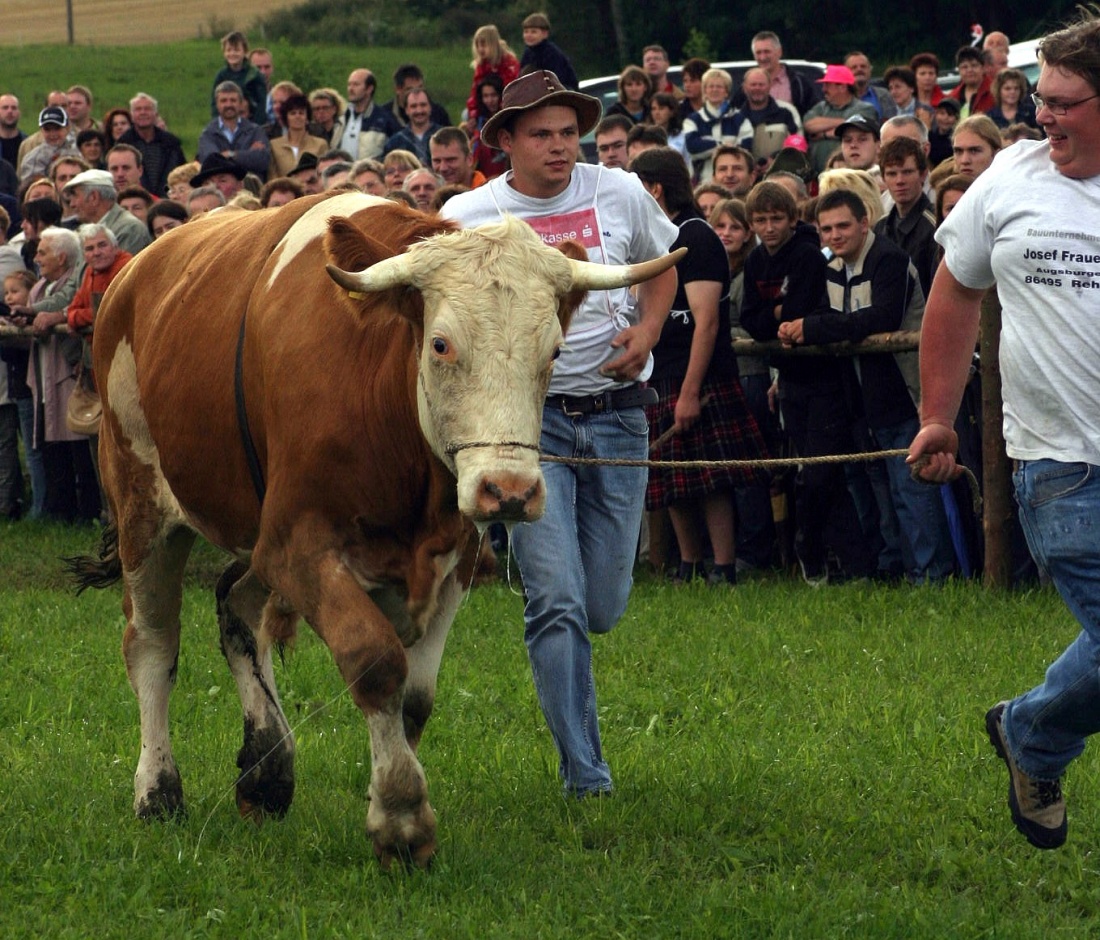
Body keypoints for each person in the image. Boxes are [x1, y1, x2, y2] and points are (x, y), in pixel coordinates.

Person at [440, 70, 678, 798]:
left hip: (617, 415)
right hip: (529, 426)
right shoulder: (469, 212)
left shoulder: (619, 190)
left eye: (569, 132)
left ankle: (552, 587)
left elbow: (665, 263)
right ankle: (587, 774)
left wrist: (647, 328)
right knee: (559, 602)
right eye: (541, 134)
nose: (560, 147)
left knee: (602, 605)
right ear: (504, 141)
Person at [909, 11, 1100, 851]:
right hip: (1060, 465)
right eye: (1043, 100)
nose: (1044, 116)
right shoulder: (1011, 180)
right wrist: (938, 417)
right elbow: (954, 293)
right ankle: (1035, 735)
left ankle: (1031, 731)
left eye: (1065, 102)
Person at [782, 188, 954, 583]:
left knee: (911, 492)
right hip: (861, 400)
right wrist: (809, 325)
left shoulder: (889, 259)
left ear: (865, 223)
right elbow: (829, 316)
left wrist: (812, 328)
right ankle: (892, 568)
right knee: (880, 493)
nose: (835, 235)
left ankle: (931, 576)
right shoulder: (831, 267)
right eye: (826, 229)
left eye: (843, 225)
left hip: (904, 393)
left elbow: (880, 318)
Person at [632, 148, 767, 585]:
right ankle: (688, 564)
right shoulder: (651, 238)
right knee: (673, 479)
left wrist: (691, 391)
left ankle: (723, 567)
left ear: (655, 188)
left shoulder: (696, 236)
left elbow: (706, 323)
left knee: (711, 480)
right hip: (660, 372)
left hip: (700, 374)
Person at [741, 181, 877, 584]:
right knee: (814, 474)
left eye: (776, 219)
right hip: (788, 379)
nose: (769, 228)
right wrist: (777, 314)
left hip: (823, 378)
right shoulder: (754, 261)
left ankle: (819, 550)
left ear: (793, 219)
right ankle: (843, 564)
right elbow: (752, 318)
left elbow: (801, 310)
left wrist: (777, 314)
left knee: (822, 474)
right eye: (761, 220)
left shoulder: (805, 255)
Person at [8, 226, 100, 522]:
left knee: (77, 445)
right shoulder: (39, 287)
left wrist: (32, 312)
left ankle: (86, 511)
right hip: (44, 375)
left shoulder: (69, 283)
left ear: (62, 257)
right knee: (51, 446)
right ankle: (59, 509)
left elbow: (66, 306)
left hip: (67, 373)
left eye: (43, 252)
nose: (36, 257)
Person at [710, 197, 775, 571]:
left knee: (750, 471)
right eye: (720, 226)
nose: (726, 234)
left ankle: (755, 552)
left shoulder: (749, 271)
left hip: (752, 374)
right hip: (728, 375)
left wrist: (720, 332)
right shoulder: (714, 270)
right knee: (731, 472)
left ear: (747, 232)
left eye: (735, 227)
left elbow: (753, 322)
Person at [803, 65, 878, 174]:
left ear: (842, 87)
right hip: (817, 175)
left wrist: (823, 134)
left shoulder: (864, 108)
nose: (823, 89)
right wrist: (843, 121)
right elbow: (809, 125)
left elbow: (856, 130)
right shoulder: (820, 107)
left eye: (828, 85)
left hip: (852, 174)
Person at [62, 168, 151, 255]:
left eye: (75, 196)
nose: (72, 204)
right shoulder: (85, 231)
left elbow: (123, 269)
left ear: (94, 197)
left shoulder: (129, 230)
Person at [198, 82, 271, 180]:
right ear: (217, 104)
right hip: (219, 190)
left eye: (233, 100)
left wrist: (229, 154)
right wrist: (246, 154)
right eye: (223, 101)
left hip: (251, 188)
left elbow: (262, 160)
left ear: (241, 103)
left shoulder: (255, 131)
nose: (228, 104)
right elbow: (211, 163)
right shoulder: (208, 134)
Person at [118, 93, 185, 198]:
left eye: (147, 109)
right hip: (135, 198)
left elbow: (181, 173)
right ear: (131, 115)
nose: (143, 112)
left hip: (168, 199)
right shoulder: (123, 144)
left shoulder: (171, 144)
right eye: (138, 109)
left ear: (156, 114)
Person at [747, 31, 821, 117]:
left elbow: (815, 113)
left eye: (767, 52)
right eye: (758, 53)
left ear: (779, 52)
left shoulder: (798, 82)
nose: (762, 57)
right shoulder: (747, 84)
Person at [464, 25, 520, 136]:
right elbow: (475, 92)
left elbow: (512, 88)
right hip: (488, 104)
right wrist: (473, 112)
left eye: (483, 45)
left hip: (506, 104)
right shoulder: (481, 65)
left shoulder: (509, 63)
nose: (480, 49)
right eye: (478, 45)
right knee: (466, 115)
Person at [339, 69, 399, 162]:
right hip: (341, 174)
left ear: (369, 89)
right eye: (349, 84)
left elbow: (395, 153)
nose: (350, 89)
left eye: (356, 85)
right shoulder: (341, 117)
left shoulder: (385, 119)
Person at [210, 30, 267, 124]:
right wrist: (216, 122)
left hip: (251, 121)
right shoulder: (221, 75)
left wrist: (257, 125)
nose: (232, 54)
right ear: (224, 53)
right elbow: (214, 102)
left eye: (236, 50)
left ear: (245, 52)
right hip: (227, 121)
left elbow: (261, 103)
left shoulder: (255, 75)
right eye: (228, 50)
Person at [267, 94, 327, 180]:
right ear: (286, 118)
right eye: (293, 113)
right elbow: (272, 177)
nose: (297, 116)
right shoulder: (274, 145)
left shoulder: (320, 144)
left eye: (301, 113)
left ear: (307, 118)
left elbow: (323, 174)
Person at [519, 12, 578, 90]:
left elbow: (559, 79)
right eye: (526, 31)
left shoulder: (552, 53)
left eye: (533, 32)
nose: (528, 35)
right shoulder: (528, 53)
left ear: (545, 34)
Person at [382, 88, 440, 164]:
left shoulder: (443, 136)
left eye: (423, 105)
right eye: (413, 106)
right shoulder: (395, 143)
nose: (419, 110)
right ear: (406, 110)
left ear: (430, 107)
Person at [469, 74, 509, 181]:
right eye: (485, 96)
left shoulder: (508, 119)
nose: (489, 100)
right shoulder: (477, 121)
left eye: (493, 95)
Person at [951, 114, 1002, 180]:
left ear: (996, 154)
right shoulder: (942, 188)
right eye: (958, 151)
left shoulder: (1012, 188)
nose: (964, 160)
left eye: (974, 151)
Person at [950, 46, 995, 116]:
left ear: (983, 68)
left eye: (974, 65)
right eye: (964, 67)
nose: (969, 70)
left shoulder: (996, 92)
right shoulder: (952, 97)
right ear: (959, 71)